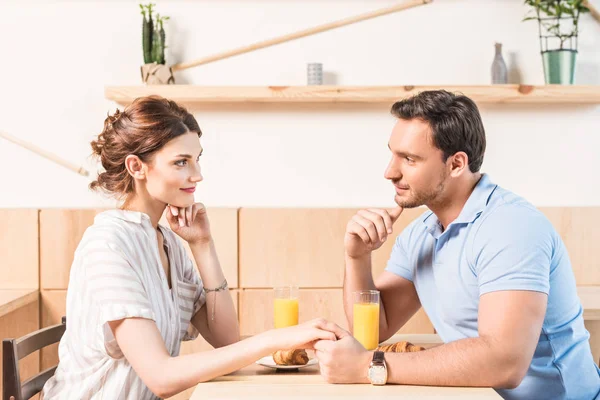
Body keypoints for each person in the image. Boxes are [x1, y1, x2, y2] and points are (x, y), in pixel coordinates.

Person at [41, 96, 342, 400]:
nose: (197, 175)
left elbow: (225, 339)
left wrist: (202, 245)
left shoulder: (167, 242)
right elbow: (161, 376)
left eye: (197, 159)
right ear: (137, 166)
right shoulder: (108, 246)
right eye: (181, 162)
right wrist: (276, 340)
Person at [313, 90, 600, 400]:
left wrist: (371, 366)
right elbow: (373, 329)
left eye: (409, 159)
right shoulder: (422, 233)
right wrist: (357, 257)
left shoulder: (510, 227)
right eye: (393, 154)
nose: (389, 172)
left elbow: (505, 363)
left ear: (456, 164)